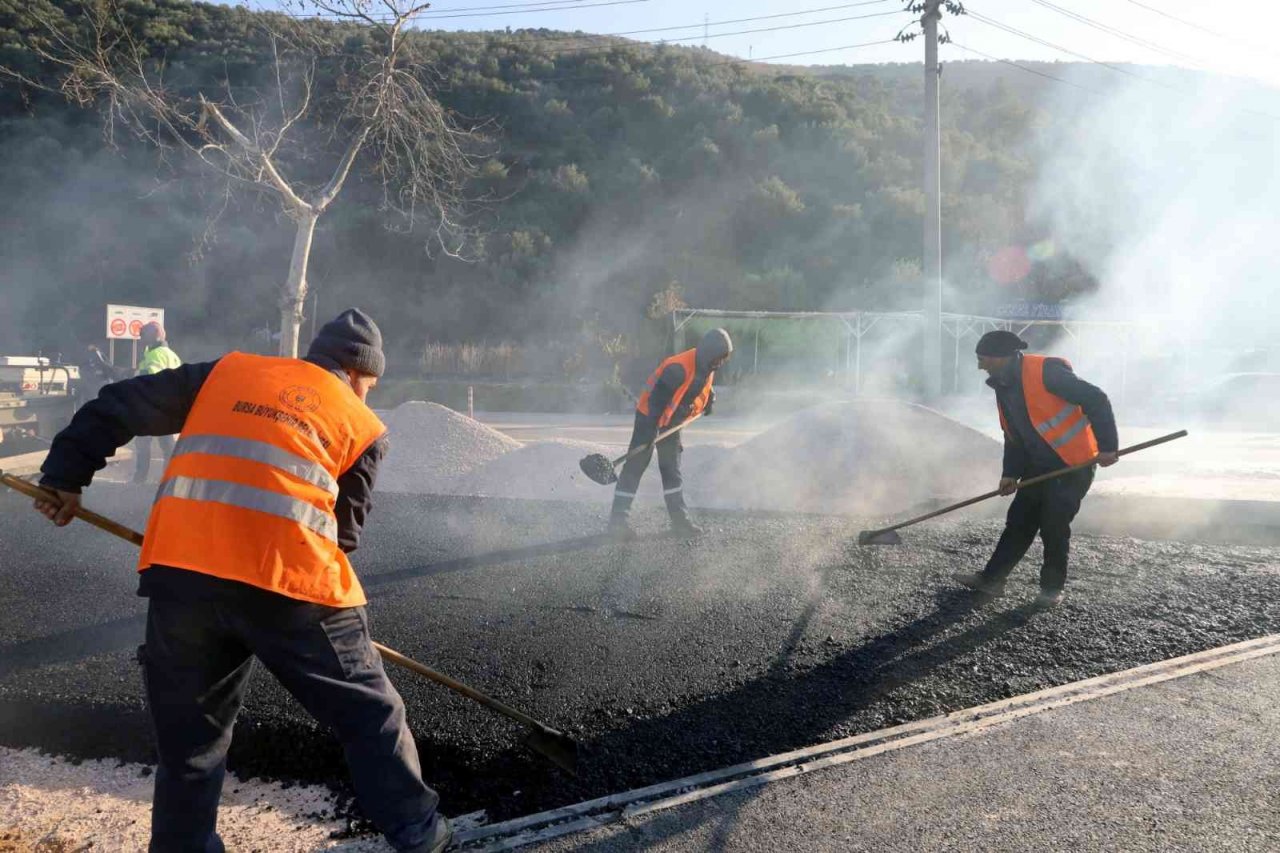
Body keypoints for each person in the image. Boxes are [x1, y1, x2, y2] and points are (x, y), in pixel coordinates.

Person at [33, 309, 451, 853]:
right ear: (356, 374)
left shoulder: (226, 374)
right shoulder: (363, 425)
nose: (366, 395)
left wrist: (65, 477)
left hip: (182, 580)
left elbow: (115, 403)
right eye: (369, 385)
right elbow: (343, 538)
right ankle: (420, 833)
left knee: (191, 746)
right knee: (372, 714)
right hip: (290, 587)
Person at [953, 330, 1119, 609]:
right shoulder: (1004, 384)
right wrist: (1010, 473)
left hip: (1072, 463)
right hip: (1038, 466)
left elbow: (1097, 398)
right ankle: (992, 580)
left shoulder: (1046, 372)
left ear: (1002, 357)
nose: (980, 365)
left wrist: (1108, 446)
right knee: (1019, 522)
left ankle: (1051, 590)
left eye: (983, 359)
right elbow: (1014, 434)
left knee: (1054, 525)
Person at [609, 328, 733, 539]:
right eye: (719, 358)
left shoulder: (706, 363)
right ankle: (617, 522)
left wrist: (708, 398)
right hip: (649, 417)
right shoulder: (678, 368)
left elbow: (700, 385)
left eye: (723, 359)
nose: (720, 363)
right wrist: (650, 434)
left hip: (672, 421)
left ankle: (679, 522)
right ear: (709, 353)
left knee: (671, 471)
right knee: (635, 467)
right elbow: (656, 401)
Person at [133, 322, 183, 484]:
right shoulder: (170, 354)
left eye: (143, 334)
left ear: (153, 335)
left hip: (153, 408)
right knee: (168, 448)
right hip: (168, 409)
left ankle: (139, 481)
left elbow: (150, 378)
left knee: (143, 446)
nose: (140, 338)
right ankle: (168, 482)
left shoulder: (157, 354)